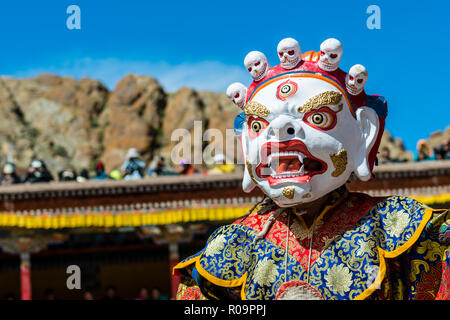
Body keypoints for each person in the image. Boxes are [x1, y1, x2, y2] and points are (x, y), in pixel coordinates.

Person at [174, 37, 449, 300]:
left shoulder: (403, 229)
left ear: (364, 133)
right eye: (258, 125)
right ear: (245, 142)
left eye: (318, 117)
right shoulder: (226, 249)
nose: (279, 131)